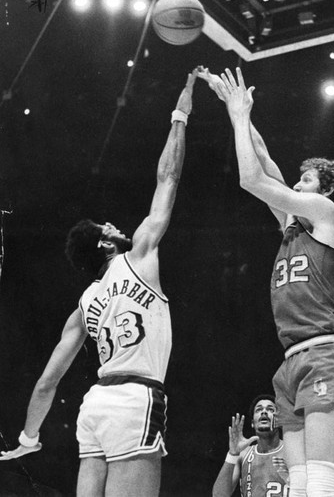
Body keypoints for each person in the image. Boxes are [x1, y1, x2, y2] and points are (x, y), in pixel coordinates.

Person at [0, 69, 198, 497]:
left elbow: (47, 382)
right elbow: (168, 178)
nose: (116, 224)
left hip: (96, 407)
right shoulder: (139, 256)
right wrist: (179, 115)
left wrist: (28, 438)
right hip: (133, 400)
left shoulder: (84, 303)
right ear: (106, 243)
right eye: (108, 225)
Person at [198, 66, 334, 497]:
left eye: (305, 180)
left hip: (326, 356)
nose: (294, 182)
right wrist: (238, 110)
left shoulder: (328, 217)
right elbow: (265, 161)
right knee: (300, 486)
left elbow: (252, 178)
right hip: (290, 364)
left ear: (324, 192)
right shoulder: (295, 224)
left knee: (323, 484)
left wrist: (238, 116)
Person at [213, 395, 289, 497]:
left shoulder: (292, 451)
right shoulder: (243, 455)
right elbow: (218, 495)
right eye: (259, 410)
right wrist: (232, 454)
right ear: (253, 423)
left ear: (279, 420)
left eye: (270, 409)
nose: (264, 412)